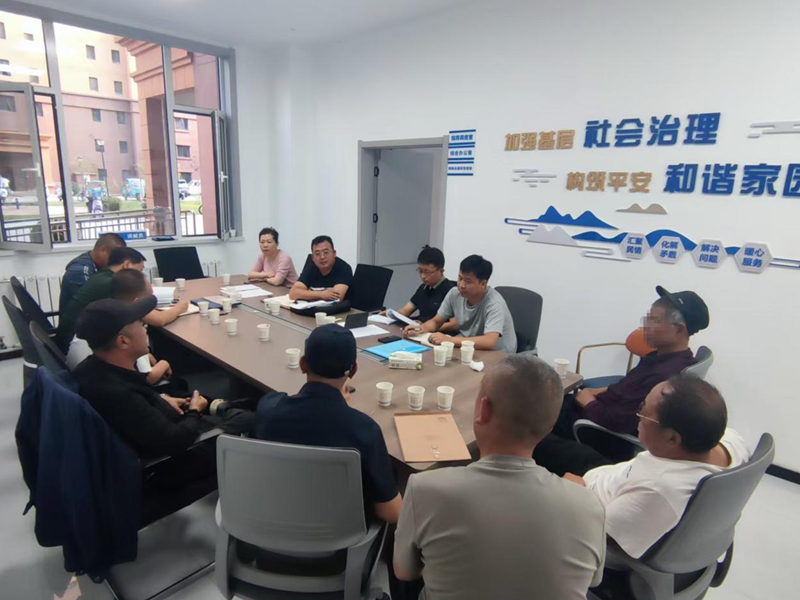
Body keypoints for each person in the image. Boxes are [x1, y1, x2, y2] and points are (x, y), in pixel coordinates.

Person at [393, 354, 606, 600]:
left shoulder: (426, 489)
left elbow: (404, 572)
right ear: (550, 425)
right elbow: (593, 580)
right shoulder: (590, 505)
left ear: (483, 410)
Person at [563, 374, 750, 560]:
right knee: (558, 447)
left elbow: (599, 535)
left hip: (586, 505)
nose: (638, 415)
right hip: (618, 476)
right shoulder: (732, 440)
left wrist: (573, 493)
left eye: (645, 412)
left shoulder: (658, 490)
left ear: (672, 438)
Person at [73, 297, 254, 459]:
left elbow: (139, 406)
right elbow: (174, 441)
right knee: (248, 420)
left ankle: (226, 407)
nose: (145, 330)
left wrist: (160, 399)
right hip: (174, 461)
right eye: (141, 325)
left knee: (179, 390)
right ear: (123, 341)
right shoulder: (119, 394)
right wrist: (194, 412)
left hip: (152, 430)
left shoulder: (94, 369)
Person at [255, 324, 402, 524]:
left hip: (269, 522)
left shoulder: (269, 409)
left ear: (303, 364)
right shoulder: (364, 430)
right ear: (353, 370)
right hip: (338, 539)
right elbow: (392, 513)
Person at [562, 286, 709, 437]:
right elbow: (628, 386)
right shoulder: (667, 358)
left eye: (654, 321)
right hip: (596, 409)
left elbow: (620, 422)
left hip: (591, 428)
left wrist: (588, 402)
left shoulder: (663, 376)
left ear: (679, 329)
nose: (645, 326)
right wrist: (594, 392)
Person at [65, 269, 189, 373]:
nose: (144, 330)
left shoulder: (103, 315)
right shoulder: (126, 327)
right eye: (141, 326)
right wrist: (164, 364)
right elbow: (148, 377)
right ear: (136, 302)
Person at [404, 254, 516, 353]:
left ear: (483, 283)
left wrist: (449, 340)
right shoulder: (454, 293)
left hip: (499, 353)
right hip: (470, 345)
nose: (461, 285)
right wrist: (419, 329)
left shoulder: (494, 303)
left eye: (468, 281)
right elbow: (436, 321)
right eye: (460, 278)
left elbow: (489, 341)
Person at [56, 247, 147, 352]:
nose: (141, 275)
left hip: (76, 336)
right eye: (140, 270)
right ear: (127, 265)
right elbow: (152, 317)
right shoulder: (111, 283)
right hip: (78, 342)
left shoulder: (102, 275)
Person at [383, 245, 456, 324]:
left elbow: (453, 324)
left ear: (441, 271)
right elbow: (406, 310)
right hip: (419, 329)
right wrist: (391, 314)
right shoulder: (423, 288)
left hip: (436, 331)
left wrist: (425, 327)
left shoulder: (451, 291)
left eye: (427, 272)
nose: (423, 276)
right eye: (420, 271)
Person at [59, 233, 126, 313]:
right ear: (103, 249)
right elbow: (89, 304)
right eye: (114, 256)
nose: (116, 260)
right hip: (80, 319)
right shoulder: (80, 271)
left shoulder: (99, 265)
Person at [289, 235, 353, 301]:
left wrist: (308, 293)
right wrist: (322, 294)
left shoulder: (343, 268)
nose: (322, 257)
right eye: (317, 254)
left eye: (326, 252)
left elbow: (336, 298)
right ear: (313, 258)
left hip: (339, 307)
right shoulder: (311, 268)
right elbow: (293, 293)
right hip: (314, 306)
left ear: (334, 253)